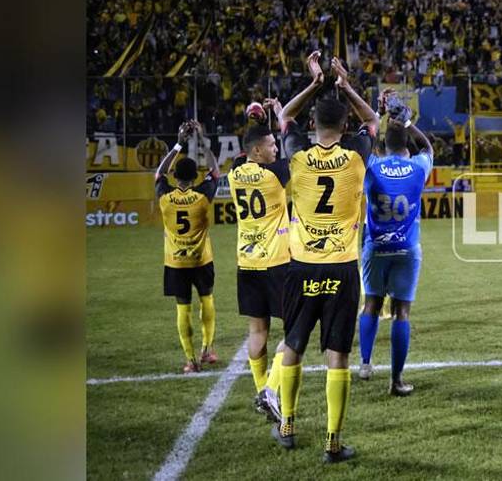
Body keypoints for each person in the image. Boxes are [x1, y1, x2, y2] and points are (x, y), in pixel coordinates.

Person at [272, 52, 378, 465]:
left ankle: (288, 424)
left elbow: (283, 118)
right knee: (338, 354)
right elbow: (373, 122)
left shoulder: (296, 154)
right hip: (341, 267)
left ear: (313, 126)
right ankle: (333, 442)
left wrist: (316, 84)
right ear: (345, 126)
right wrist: (345, 84)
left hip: (301, 266)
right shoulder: (355, 156)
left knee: (293, 344)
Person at [356, 104, 433, 397]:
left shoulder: (372, 165)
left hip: (375, 246)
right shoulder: (418, 167)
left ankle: (364, 363)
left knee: (371, 305)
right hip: (406, 248)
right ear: (407, 147)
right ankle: (396, 380)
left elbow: (365, 146)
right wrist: (408, 122)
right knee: (401, 312)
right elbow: (427, 146)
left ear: (384, 144)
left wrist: (377, 117)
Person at [226, 121, 295, 420]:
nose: (275, 148)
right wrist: (285, 120)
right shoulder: (275, 175)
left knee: (257, 331)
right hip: (277, 261)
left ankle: (262, 392)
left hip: (247, 262)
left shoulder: (233, 174)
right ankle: (270, 390)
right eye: (270, 145)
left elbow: (239, 161)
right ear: (256, 149)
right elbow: (294, 154)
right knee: (294, 331)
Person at [153, 120, 220, 373]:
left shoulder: (165, 197)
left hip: (176, 262)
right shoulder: (203, 196)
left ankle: (191, 360)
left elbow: (159, 174)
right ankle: (208, 349)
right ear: (195, 177)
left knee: (184, 307)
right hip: (201, 259)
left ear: (175, 176)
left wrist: (179, 143)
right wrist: (201, 141)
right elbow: (215, 172)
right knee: (207, 300)